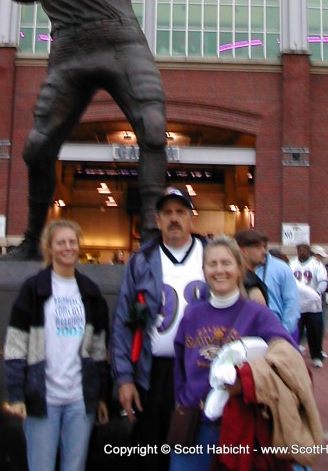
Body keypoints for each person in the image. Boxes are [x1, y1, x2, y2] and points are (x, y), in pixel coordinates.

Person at [8, 0, 167, 259]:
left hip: (121, 42)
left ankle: (151, 233)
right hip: (69, 53)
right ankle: (31, 238)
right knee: (37, 148)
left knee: (151, 128)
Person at [172, 236, 300, 471]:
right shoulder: (192, 315)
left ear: (240, 269)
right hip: (193, 426)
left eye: (226, 263)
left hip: (238, 427)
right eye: (212, 264)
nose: (219, 270)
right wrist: (183, 398)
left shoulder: (258, 315)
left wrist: (249, 380)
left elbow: (289, 357)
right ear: (204, 270)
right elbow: (179, 365)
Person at [110, 187, 205, 471]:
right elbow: (123, 323)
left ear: (191, 219)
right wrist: (124, 377)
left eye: (180, 212)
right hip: (153, 373)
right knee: (152, 451)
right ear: (158, 220)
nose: (174, 218)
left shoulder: (212, 254)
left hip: (199, 370)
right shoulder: (141, 260)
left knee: (196, 447)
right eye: (168, 213)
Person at [4, 219, 110, 471]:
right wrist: (16, 395)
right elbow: (16, 345)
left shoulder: (91, 293)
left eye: (72, 242)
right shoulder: (33, 289)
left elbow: (98, 351)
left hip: (79, 400)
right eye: (61, 242)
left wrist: (102, 397)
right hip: (42, 399)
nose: (68, 247)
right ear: (49, 248)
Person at [290, 242, 328, 368]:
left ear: (309, 251)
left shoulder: (316, 264)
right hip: (297, 305)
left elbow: (323, 280)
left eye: (304, 249)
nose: (301, 251)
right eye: (299, 249)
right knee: (295, 331)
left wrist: (318, 292)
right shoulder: (292, 263)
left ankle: (316, 356)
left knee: (315, 333)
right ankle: (292, 355)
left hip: (313, 306)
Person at [254, 239, 300, 336]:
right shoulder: (239, 269)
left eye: (262, 247)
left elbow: (292, 302)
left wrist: (283, 331)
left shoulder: (281, 268)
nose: (263, 251)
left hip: (278, 330)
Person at [233, 228, 269, 305]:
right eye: (258, 247)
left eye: (264, 247)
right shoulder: (235, 279)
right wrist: (252, 287)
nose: (264, 252)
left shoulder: (253, 280)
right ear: (243, 251)